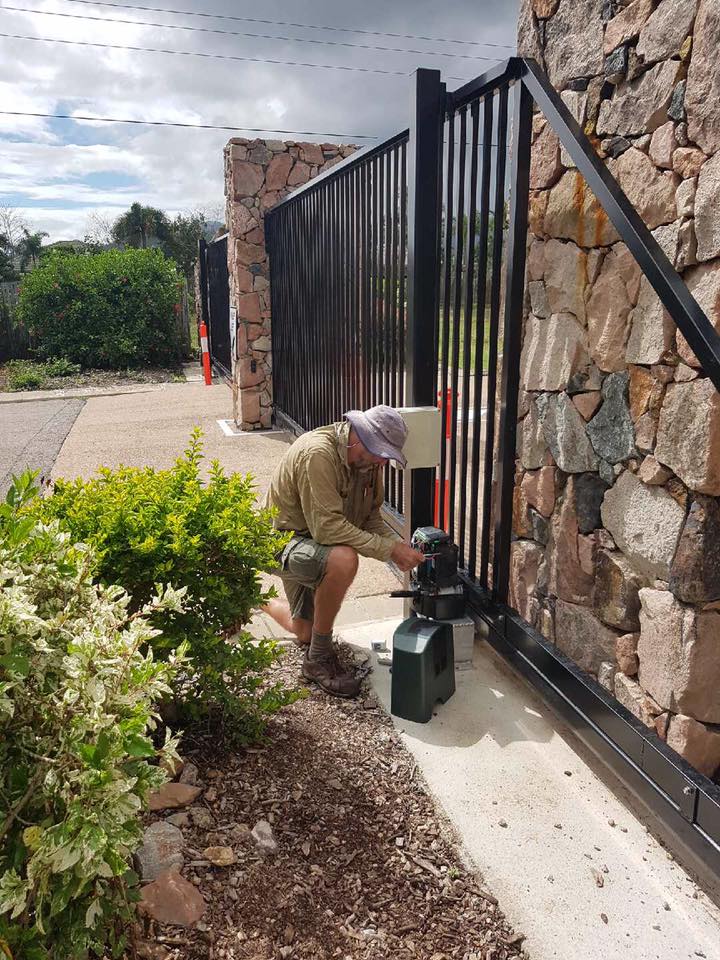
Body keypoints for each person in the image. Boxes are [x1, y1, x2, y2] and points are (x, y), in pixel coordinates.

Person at [263, 404, 425, 698]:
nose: (383, 461)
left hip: (312, 544)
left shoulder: (368, 463)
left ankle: (255, 599)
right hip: (282, 543)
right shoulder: (318, 454)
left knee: (304, 632)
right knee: (343, 560)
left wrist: (399, 545)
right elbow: (328, 530)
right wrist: (388, 549)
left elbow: (371, 518)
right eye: (381, 453)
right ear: (359, 437)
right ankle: (318, 659)